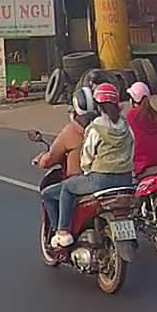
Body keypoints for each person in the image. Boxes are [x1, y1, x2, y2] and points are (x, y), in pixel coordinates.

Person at [51, 83, 136, 248]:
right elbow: (132, 149)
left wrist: (87, 172)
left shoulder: (96, 127)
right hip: (126, 180)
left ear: (98, 105)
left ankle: (62, 232)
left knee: (67, 188)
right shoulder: (126, 126)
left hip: (101, 180)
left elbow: (87, 156)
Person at [35, 86, 96, 230]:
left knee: (48, 194)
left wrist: (41, 159)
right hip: (108, 178)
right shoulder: (104, 126)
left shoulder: (70, 132)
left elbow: (50, 159)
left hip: (84, 181)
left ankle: (60, 232)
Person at [126, 81, 157, 177]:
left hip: (139, 168)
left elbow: (125, 141)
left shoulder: (132, 115)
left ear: (133, 99)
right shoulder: (154, 114)